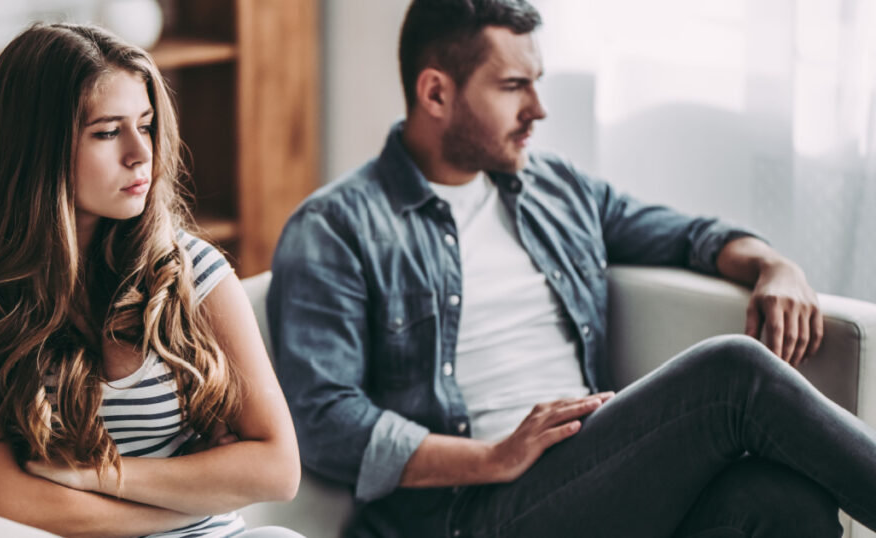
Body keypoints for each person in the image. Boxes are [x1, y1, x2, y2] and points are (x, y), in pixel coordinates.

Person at [267, 1, 876, 536]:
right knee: (734, 372)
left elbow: (688, 237)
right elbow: (324, 421)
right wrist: (494, 458)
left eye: (537, 82)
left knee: (782, 501)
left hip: (585, 481)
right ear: (435, 93)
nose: (539, 108)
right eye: (513, 86)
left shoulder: (552, 187)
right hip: (467, 511)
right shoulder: (336, 227)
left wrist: (774, 263)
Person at [0, 23, 303, 538]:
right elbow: (0, 500)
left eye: (145, 125)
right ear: (38, 149)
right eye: (106, 131)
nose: (139, 153)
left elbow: (278, 470)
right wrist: (192, 498)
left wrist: (92, 475)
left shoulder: (193, 270)